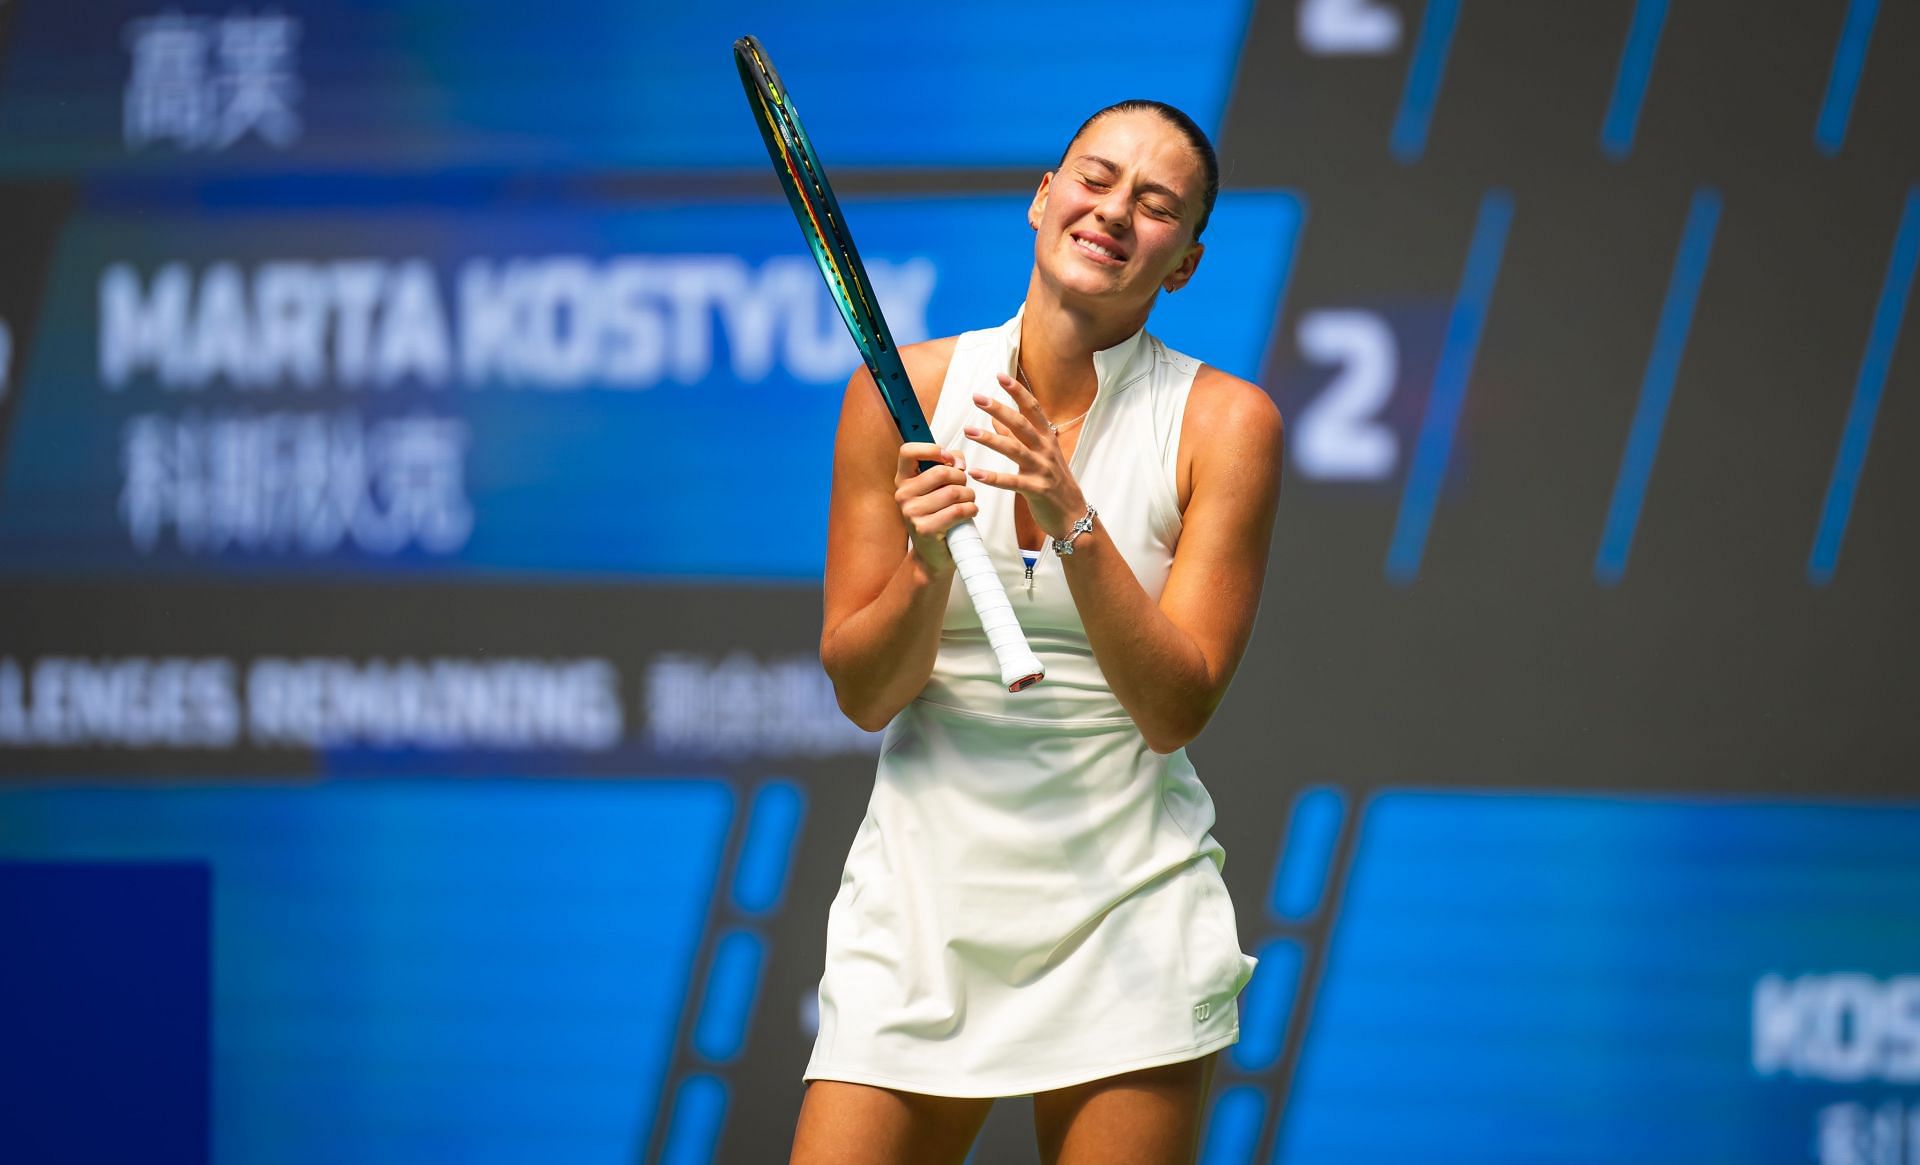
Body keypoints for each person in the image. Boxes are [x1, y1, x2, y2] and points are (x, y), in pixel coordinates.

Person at [794, 99, 1285, 1165]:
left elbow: (1173, 707)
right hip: (918, 911)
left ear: (1186, 263)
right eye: (1095, 178)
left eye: (1156, 206)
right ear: (1042, 196)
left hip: (1126, 911)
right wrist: (928, 571)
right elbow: (866, 692)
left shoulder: (1226, 425)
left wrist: (1075, 520)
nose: (1114, 211)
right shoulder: (904, 394)